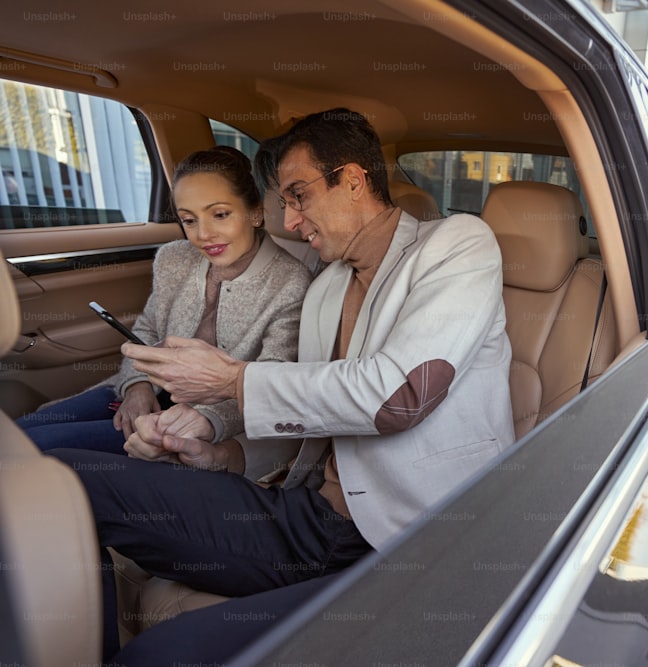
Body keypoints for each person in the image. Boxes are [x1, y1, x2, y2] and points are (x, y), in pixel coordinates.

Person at [47, 108, 514, 663]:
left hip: (401, 540)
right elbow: (308, 425)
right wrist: (219, 453)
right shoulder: (326, 289)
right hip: (305, 516)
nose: (291, 222)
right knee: (61, 483)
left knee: (161, 656)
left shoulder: (457, 245)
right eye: (285, 202)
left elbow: (399, 396)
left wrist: (232, 379)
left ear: (353, 180)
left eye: (299, 196)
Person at [18, 146, 312, 456]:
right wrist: (136, 385)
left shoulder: (290, 283)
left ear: (255, 212)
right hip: (145, 392)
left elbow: (271, 382)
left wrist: (206, 420)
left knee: (36, 451)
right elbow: (147, 330)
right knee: (18, 432)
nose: (203, 234)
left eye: (220, 214)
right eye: (189, 220)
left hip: (200, 422)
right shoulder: (174, 258)